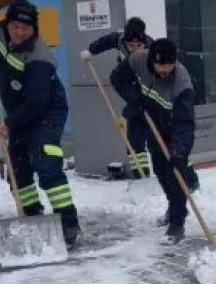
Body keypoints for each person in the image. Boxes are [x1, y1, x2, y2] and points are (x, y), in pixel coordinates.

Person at [0, 0, 80, 248]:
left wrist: (10, 123)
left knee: (46, 164)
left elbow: (37, 101)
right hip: (20, 109)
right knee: (17, 168)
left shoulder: (39, 58)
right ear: (7, 24)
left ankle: (68, 224)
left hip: (47, 110)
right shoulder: (2, 32)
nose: (20, 33)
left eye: (26, 28)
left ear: (34, 28)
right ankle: (33, 217)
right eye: (15, 27)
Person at [82, 18, 200, 191]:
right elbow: (105, 43)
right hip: (137, 93)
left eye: (138, 46)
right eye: (131, 46)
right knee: (135, 131)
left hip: (155, 96)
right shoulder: (118, 40)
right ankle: (141, 175)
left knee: (168, 143)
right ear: (125, 42)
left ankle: (189, 178)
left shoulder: (151, 50)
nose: (134, 49)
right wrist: (90, 51)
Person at [112, 39, 196, 243]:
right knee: (160, 168)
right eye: (161, 69)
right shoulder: (138, 59)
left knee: (175, 171)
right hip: (153, 121)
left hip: (173, 124)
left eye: (170, 68)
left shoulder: (181, 82)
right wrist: (136, 99)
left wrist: (178, 152)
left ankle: (177, 223)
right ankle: (174, 207)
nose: (166, 72)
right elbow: (117, 78)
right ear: (152, 62)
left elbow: (185, 124)